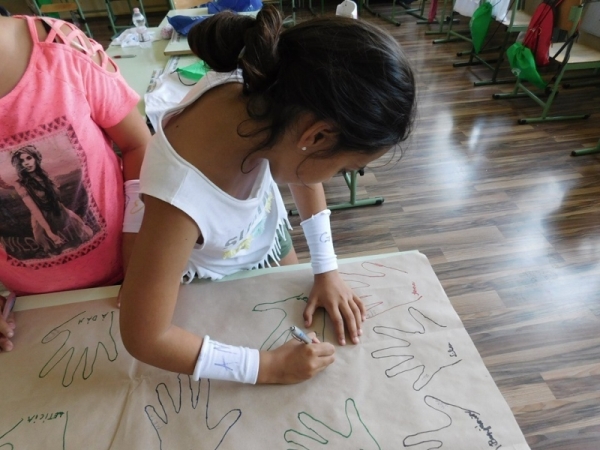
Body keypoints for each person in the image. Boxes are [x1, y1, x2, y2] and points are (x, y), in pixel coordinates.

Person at [119, 5, 416, 385]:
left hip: (259, 232)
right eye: (344, 169)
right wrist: (267, 368)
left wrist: (326, 268)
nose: (336, 176)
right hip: (209, 269)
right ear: (316, 136)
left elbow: (306, 170)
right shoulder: (180, 198)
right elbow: (145, 336)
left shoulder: (273, 96)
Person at [0, 14, 152, 352]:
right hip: (28, 309)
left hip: (126, 275)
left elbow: (138, 144)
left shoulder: (64, 49)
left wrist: (139, 254)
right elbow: (34, 211)